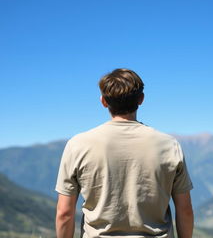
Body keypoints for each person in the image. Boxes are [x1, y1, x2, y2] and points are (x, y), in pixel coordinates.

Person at [55, 68, 194, 238]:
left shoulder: (77, 145)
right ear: (141, 99)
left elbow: (64, 213)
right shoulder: (169, 145)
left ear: (104, 101)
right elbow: (185, 210)